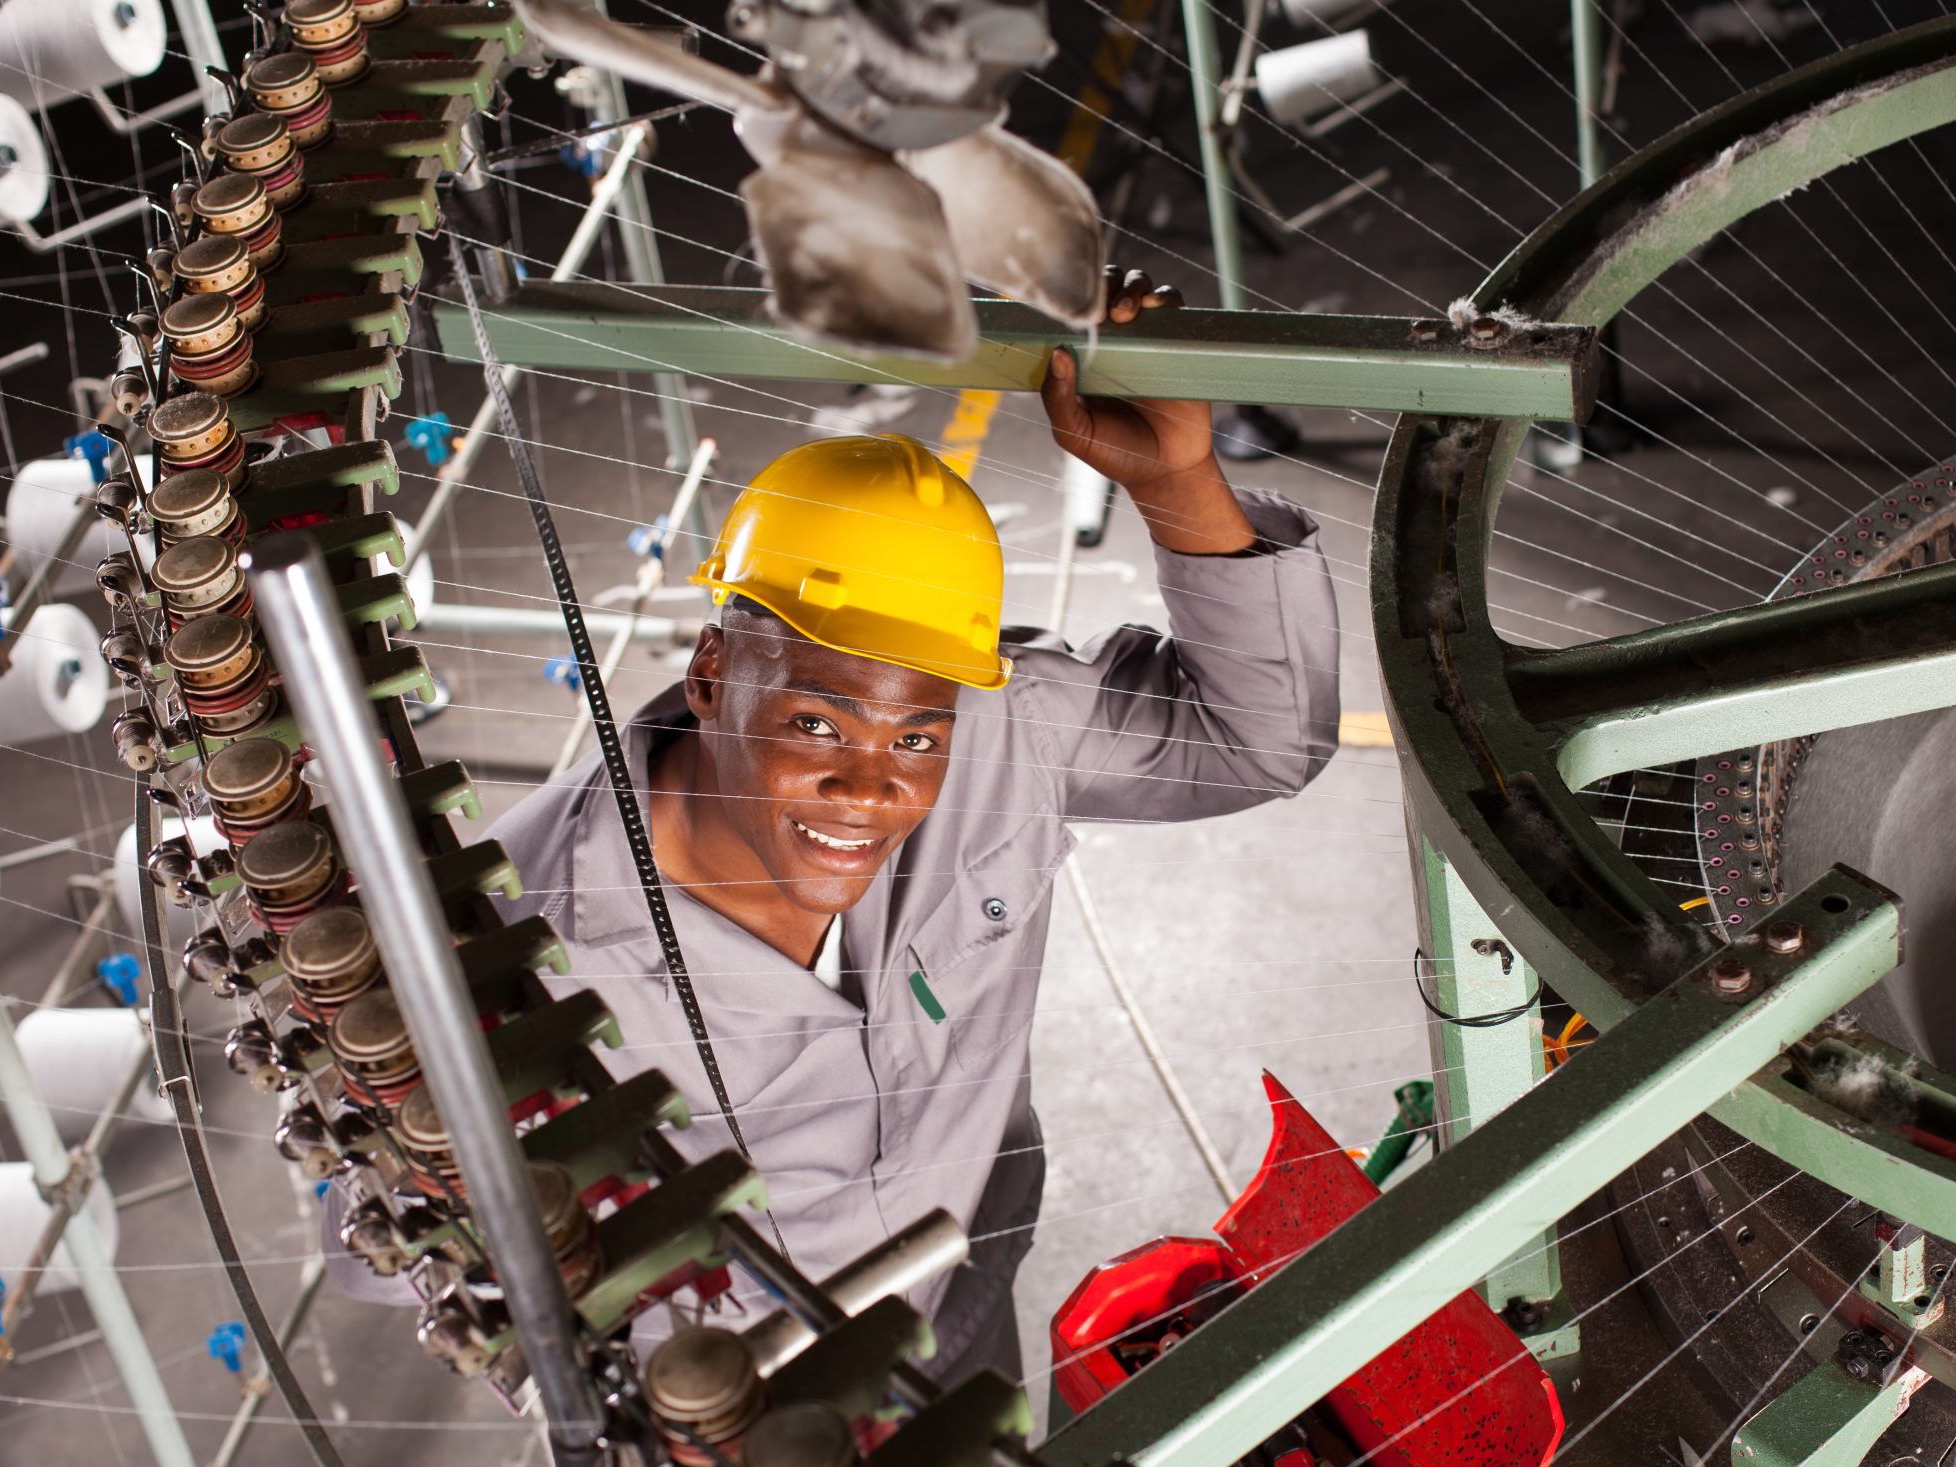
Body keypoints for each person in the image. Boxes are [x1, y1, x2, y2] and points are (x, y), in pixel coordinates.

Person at [496, 272, 1340, 1382]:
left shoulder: (997, 725)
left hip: (964, 1244)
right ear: (711, 676)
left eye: (916, 739)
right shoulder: (523, 952)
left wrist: (1179, 482)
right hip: (738, 1399)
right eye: (815, 720)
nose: (869, 788)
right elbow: (431, 1260)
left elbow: (1262, 740)